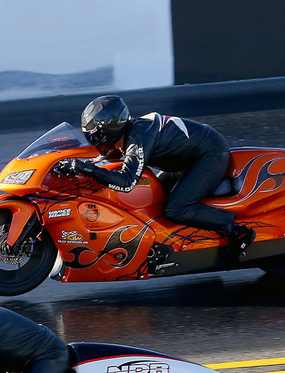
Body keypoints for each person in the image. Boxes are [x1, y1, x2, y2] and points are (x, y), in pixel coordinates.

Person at [55, 95, 255, 257]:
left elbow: (127, 182)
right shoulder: (127, 133)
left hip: (208, 154)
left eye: (95, 133)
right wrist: (73, 164)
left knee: (176, 208)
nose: (92, 138)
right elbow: (102, 158)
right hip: (184, 158)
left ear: (111, 128)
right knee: (153, 200)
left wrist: (87, 169)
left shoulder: (139, 138)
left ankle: (236, 230)